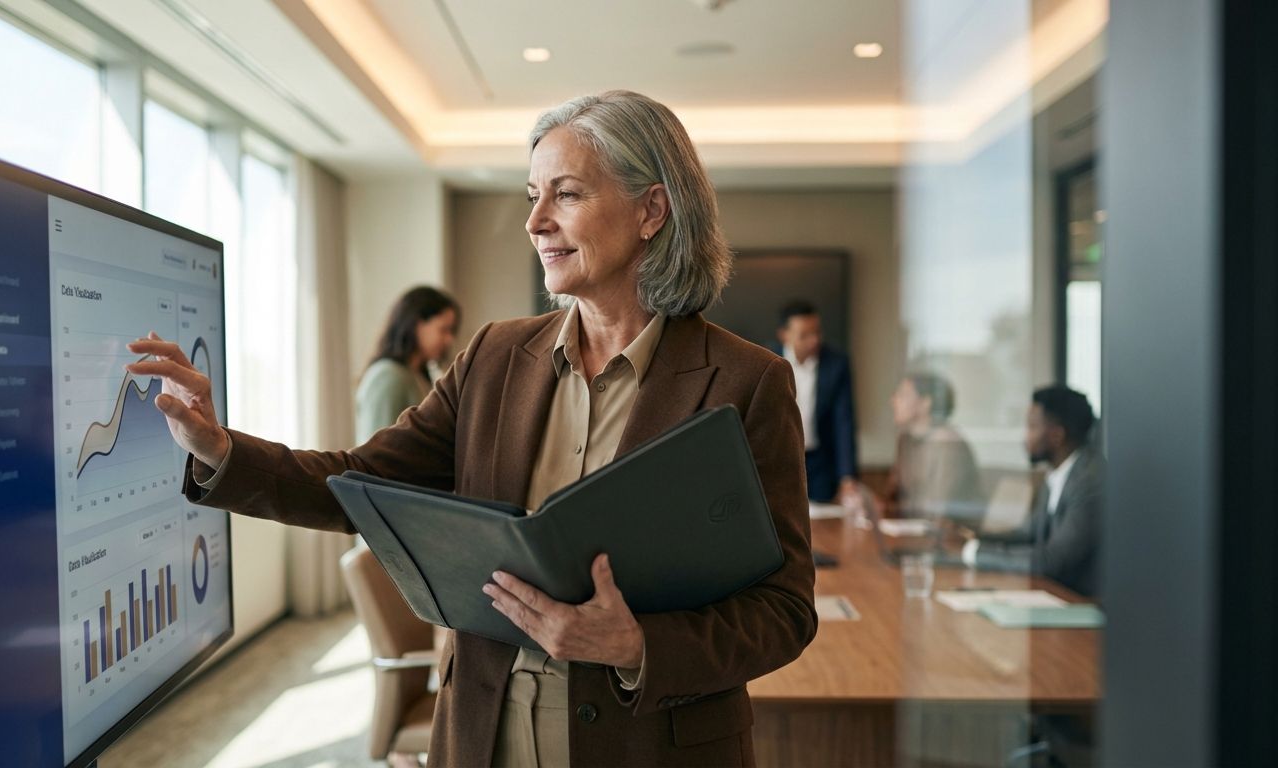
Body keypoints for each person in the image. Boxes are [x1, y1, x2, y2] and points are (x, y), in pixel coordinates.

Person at [126, 90, 816, 767]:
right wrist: (219, 448)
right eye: (531, 197)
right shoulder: (493, 357)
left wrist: (636, 645)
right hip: (484, 738)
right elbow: (357, 486)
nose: (536, 221)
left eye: (567, 194)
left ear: (651, 210)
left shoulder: (745, 382)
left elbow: (783, 610)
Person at [964, 385, 1104, 598]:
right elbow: (1028, 533)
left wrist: (975, 553)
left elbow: (1049, 561)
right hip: (1054, 597)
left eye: (1032, 427)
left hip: (1084, 607)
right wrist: (972, 538)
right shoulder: (1058, 473)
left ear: (1057, 435)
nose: (1025, 437)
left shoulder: (1090, 482)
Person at [776, 301, 859, 504]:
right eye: (804, 335)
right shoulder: (766, 360)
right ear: (784, 335)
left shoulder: (837, 363)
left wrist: (847, 477)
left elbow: (844, 421)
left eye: (817, 333)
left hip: (820, 462)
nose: (814, 341)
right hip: (778, 461)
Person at [355, 286, 460, 443]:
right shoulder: (389, 376)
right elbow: (377, 451)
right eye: (443, 330)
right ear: (416, 324)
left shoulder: (415, 375)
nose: (449, 339)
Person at [881, 372, 981, 519]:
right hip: (914, 529)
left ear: (925, 403)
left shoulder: (949, 445)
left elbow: (938, 510)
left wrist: (888, 508)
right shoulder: (906, 440)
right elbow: (892, 496)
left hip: (947, 534)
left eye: (903, 394)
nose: (893, 400)